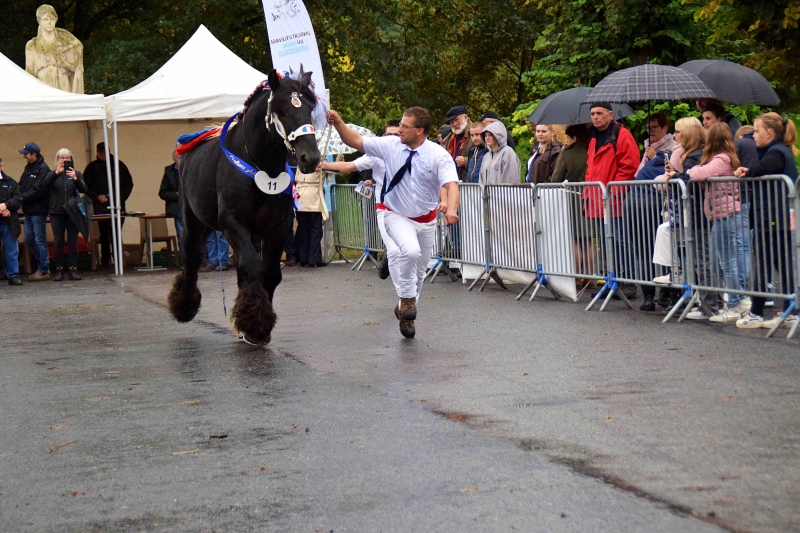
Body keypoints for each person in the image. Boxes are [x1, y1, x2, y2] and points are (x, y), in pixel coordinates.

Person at [326, 106, 460, 339]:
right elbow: (355, 140)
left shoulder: (437, 154)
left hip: (426, 220)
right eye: (400, 124)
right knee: (409, 251)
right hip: (394, 214)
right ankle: (407, 300)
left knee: (420, 270)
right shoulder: (389, 145)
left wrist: (452, 210)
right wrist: (338, 122)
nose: (400, 129)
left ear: (420, 131)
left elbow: (451, 185)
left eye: (405, 126)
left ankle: (403, 309)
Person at [734, 113, 799, 329]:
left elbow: (764, 168)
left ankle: (757, 313)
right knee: (778, 263)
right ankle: (789, 310)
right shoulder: (778, 151)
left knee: (764, 263)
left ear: (768, 133)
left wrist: (748, 171)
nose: (754, 135)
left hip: (772, 217)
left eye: (757, 130)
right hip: (774, 216)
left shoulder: (776, 152)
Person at [321, 122, 401, 280]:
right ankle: (404, 296)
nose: (391, 138)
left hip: (408, 209)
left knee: (410, 251)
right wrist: (324, 165)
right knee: (394, 250)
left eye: (395, 135)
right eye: (388, 135)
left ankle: (399, 268)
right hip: (384, 208)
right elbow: (349, 166)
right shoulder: (375, 156)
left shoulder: (413, 153)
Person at [686, 123, 744, 323]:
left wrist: (694, 168)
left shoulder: (722, 159)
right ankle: (738, 299)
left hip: (726, 214)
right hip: (720, 214)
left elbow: (698, 174)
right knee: (721, 262)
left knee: (727, 263)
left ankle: (736, 302)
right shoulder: (726, 158)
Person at [582, 103, 640, 299]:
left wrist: (614, 191)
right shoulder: (593, 137)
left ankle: (629, 281)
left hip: (612, 197)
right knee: (606, 242)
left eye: (599, 113)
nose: (595, 117)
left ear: (610, 115)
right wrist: (587, 194)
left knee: (620, 240)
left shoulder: (621, 133)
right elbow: (591, 167)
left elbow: (629, 165)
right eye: (592, 114)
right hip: (597, 197)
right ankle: (612, 279)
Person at [624, 112, 678, 311]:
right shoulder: (647, 149)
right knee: (642, 249)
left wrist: (659, 157)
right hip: (637, 200)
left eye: (654, 127)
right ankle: (648, 294)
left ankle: (664, 292)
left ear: (665, 128)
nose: (650, 131)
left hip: (659, 204)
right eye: (648, 127)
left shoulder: (672, 147)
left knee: (662, 248)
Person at [82, 142, 134, 269]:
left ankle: (118, 259)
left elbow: (128, 184)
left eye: (105, 152)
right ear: (97, 153)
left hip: (118, 205)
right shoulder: (91, 167)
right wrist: (96, 197)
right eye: (101, 153)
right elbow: (85, 186)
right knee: (104, 233)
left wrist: (119, 198)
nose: (103, 155)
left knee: (116, 232)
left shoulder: (118, 165)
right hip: (100, 206)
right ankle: (105, 260)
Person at [44, 149, 87, 281]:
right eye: (61, 157)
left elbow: (84, 189)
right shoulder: (52, 174)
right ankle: (59, 269)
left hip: (72, 211)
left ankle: (73, 268)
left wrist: (75, 178)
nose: (64, 160)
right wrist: (57, 172)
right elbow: (44, 187)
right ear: (57, 159)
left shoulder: (77, 173)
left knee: (73, 240)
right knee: (58, 241)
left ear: (71, 159)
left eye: (67, 157)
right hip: (56, 212)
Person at [25, 4, 84, 93]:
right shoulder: (32, 45)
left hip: (63, 85)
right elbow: (29, 74)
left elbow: (77, 70)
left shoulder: (65, 43)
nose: (49, 22)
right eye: (46, 19)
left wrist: (66, 64)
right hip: (42, 87)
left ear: (56, 20)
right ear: (39, 21)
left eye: (52, 19)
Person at [17, 141, 51, 281]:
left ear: (34, 155)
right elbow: (20, 185)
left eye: (26, 154)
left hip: (38, 210)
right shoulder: (28, 168)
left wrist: (20, 198)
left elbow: (38, 190)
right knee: (29, 239)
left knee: (39, 239)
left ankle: (43, 270)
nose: (24, 156)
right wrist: (16, 196)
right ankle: (44, 265)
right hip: (29, 210)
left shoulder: (43, 169)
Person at [294, 169, 327, 268]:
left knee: (303, 228)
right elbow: (335, 170)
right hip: (313, 194)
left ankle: (303, 258)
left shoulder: (301, 160)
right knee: (315, 228)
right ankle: (313, 258)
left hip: (299, 194)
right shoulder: (320, 161)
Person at [0, 158, 23, 286]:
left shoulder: (10, 182)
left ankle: (13, 275)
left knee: (12, 250)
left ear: (1, 167)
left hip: (8, 222)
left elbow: (18, 199)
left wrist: (7, 206)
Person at [158, 150, 182, 262]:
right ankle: (186, 262)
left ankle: (203, 261)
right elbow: (162, 192)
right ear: (174, 159)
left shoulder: (192, 168)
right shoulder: (169, 172)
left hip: (194, 208)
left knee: (199, 236)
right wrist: (176, 195)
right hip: (178, 209)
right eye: (180, 157)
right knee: (182, 237)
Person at [443, 106, 473, 180]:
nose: (454, 124)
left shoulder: (475, 133)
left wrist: (466, 161)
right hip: (451, 180)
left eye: (457, 120)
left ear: (465, 117)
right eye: (452, 122)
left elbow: (484, 157)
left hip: (468, 182)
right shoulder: (449, 138)